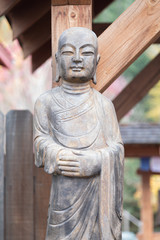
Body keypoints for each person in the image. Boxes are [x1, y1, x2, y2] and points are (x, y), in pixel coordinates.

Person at [34, 27, 124, 240]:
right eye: (67, 52)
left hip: (97, 198)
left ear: (97, 61)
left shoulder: (104, 105)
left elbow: (116, 148)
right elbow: (40, 140)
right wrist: (57, 154)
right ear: (57, 59)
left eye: (86, 53)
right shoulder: (46, 102)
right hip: (63, 201)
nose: (76, 59)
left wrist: (96, 161)